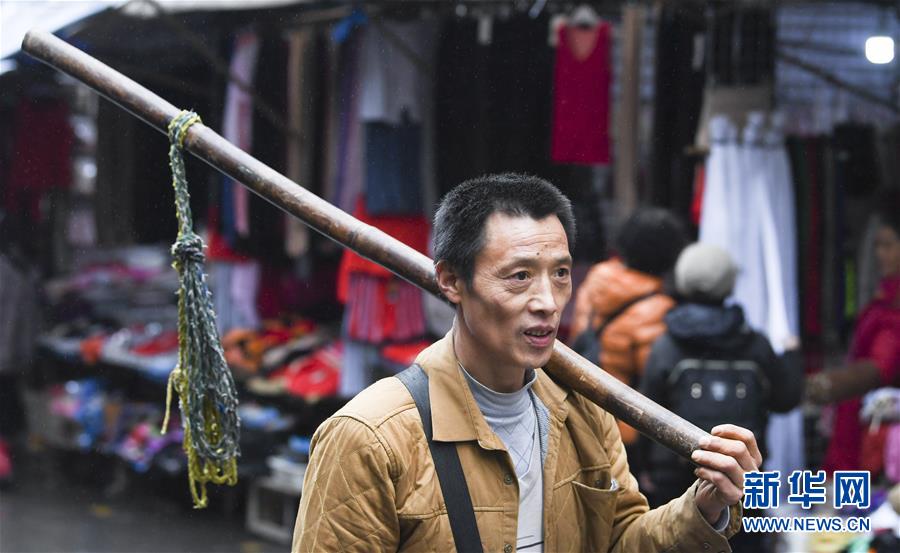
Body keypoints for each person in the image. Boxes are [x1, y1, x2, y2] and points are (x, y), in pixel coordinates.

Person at [292, 174, 758, 552]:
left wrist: (703, 507)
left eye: (561, 274)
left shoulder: (584, 411)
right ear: (451, 281)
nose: (548, 302)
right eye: (519, 276)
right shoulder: (371, 437)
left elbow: (619, 540)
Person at [640, 243, 803, 552]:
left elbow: (646, 415)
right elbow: (786, 399)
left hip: (675, 482)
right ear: (729, 282)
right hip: (743, 479)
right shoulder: (755, 344)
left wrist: (646, 469)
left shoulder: (666, 346)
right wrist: (792, 357)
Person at [569, 208, 687, 450]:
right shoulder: (658, 309)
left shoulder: (597, 280)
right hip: (623, 432)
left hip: (582, 414)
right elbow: (654, 385)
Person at [808, 202, 900, 472]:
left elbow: (883, 363)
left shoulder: (893, 302)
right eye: (877, 246)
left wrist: (831, 384)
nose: (880, 254)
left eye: (888, 245)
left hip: (882, 422)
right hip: (858, 411)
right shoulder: (884, 294)